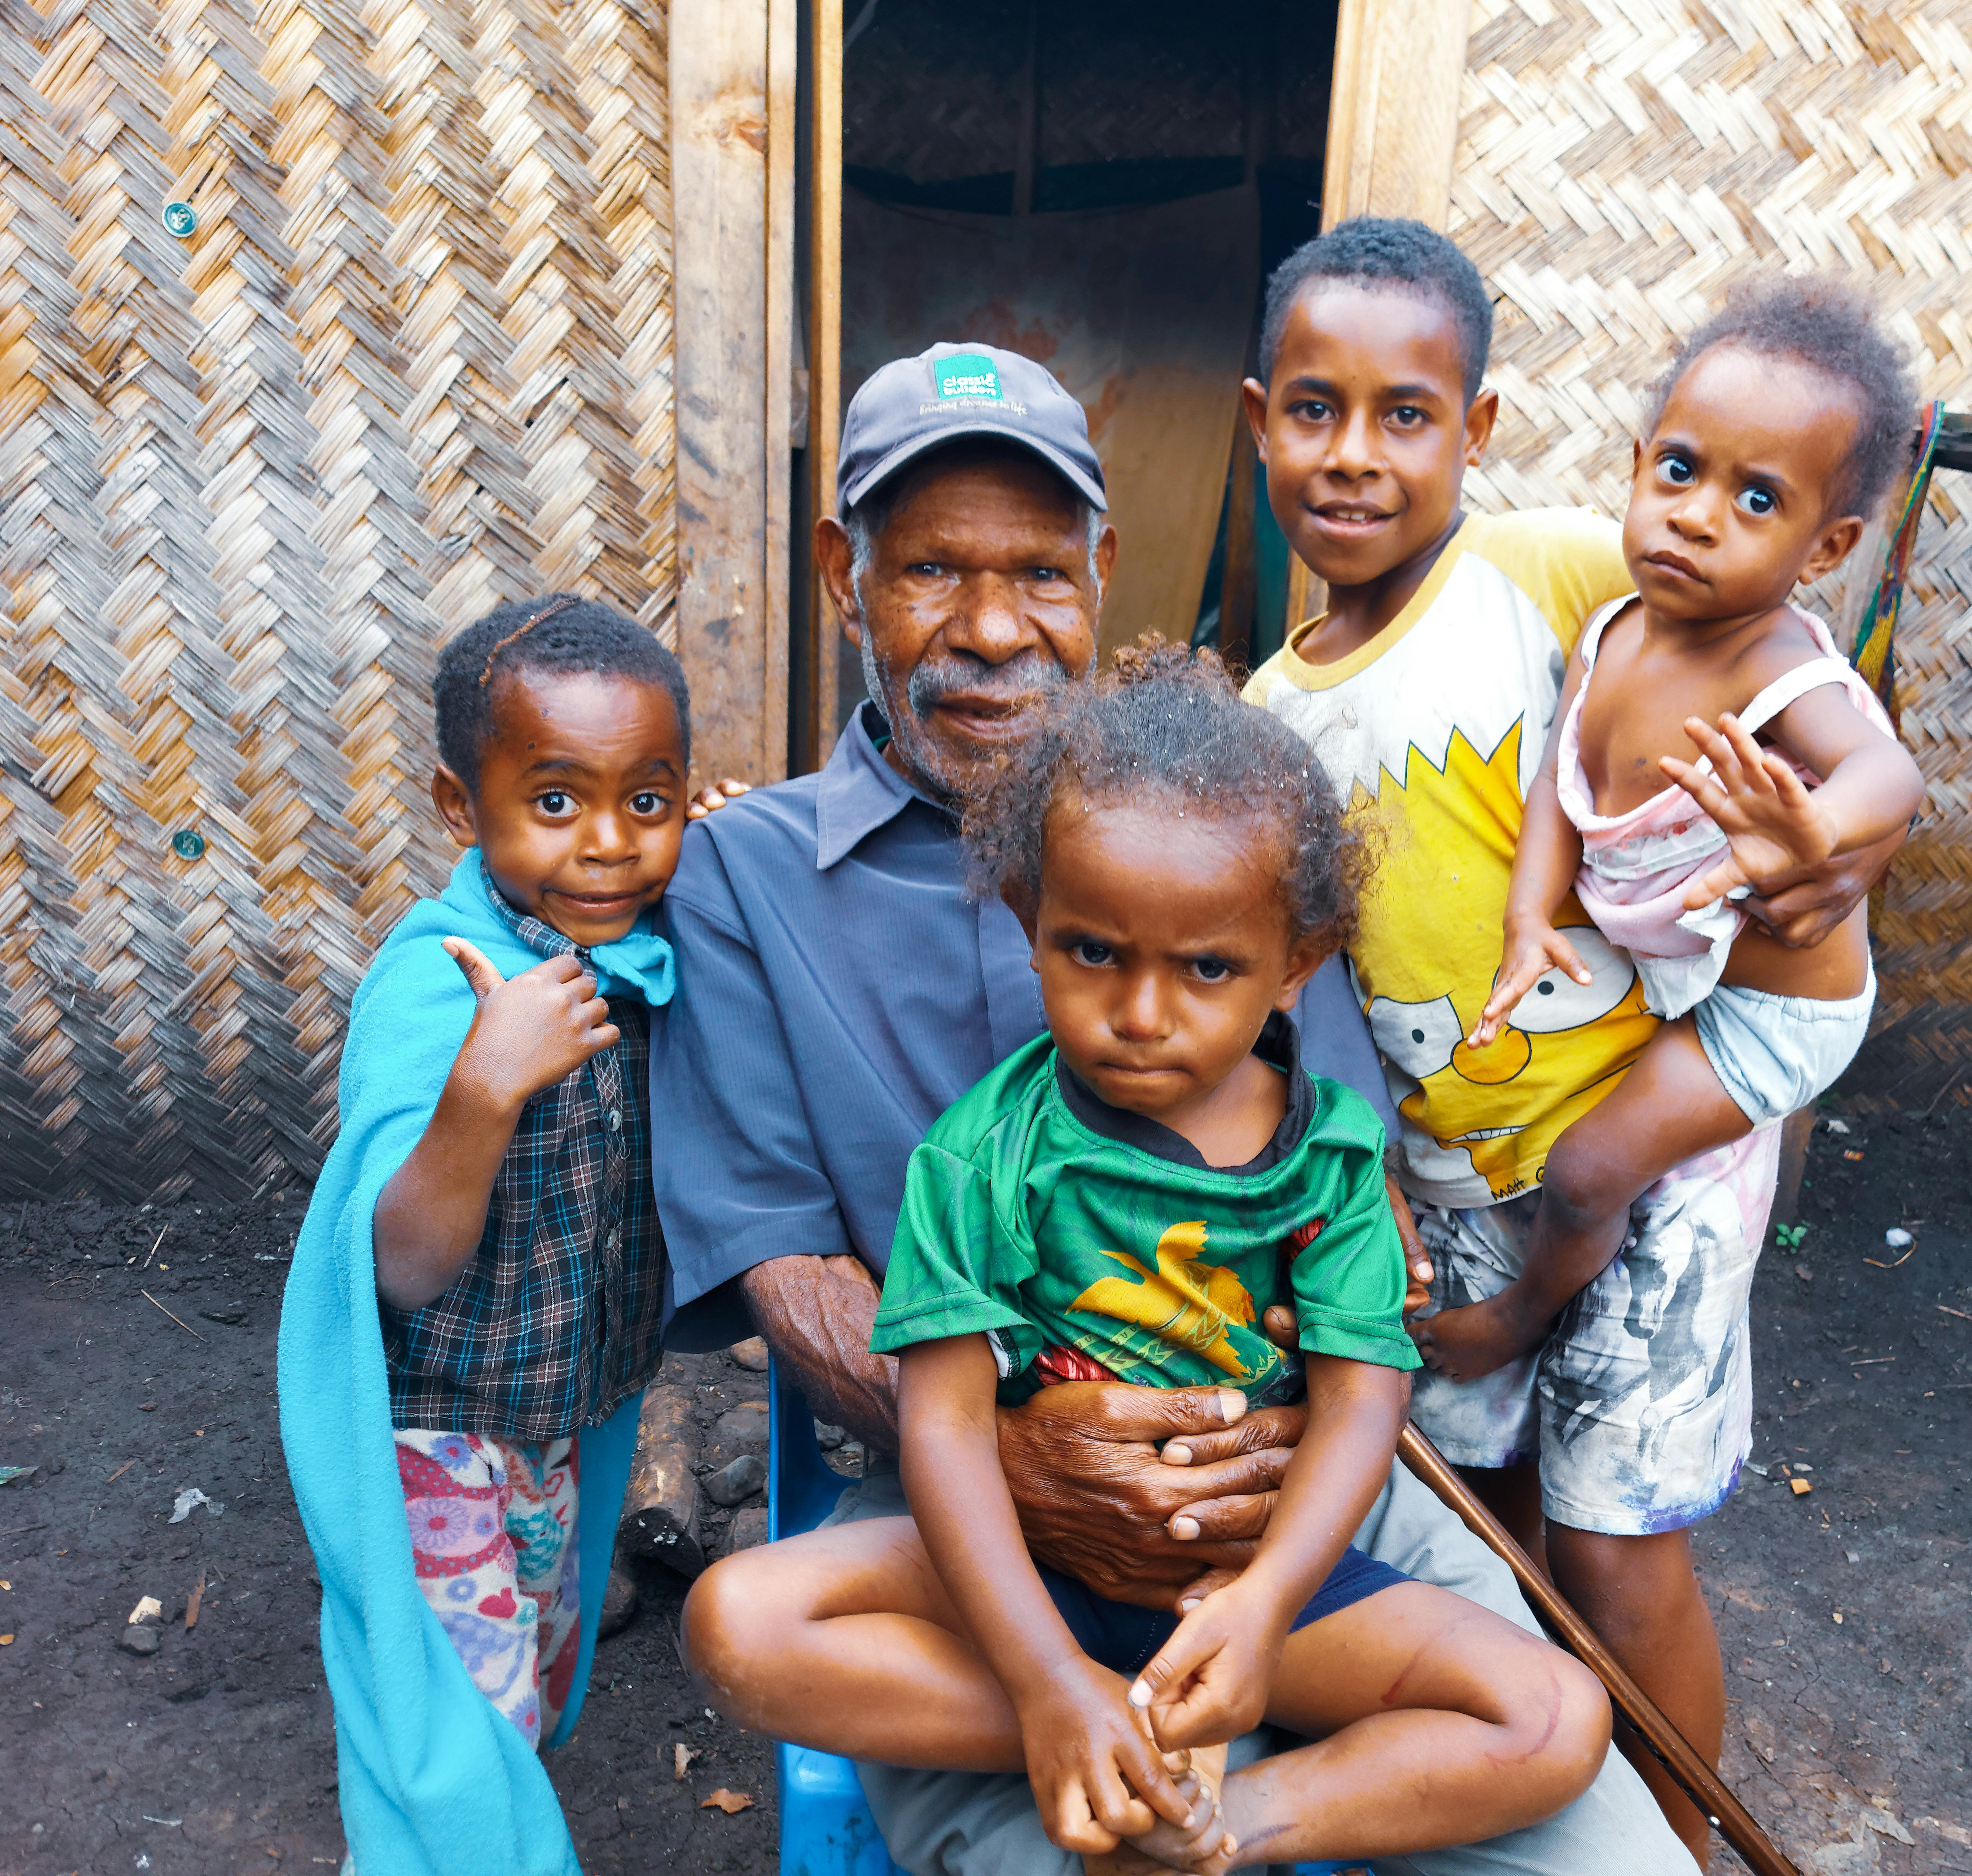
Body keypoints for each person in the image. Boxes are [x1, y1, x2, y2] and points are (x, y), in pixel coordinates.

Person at [655, 340, 1690, 1876]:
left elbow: (1363, 1254)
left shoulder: (1232, 831)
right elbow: (787, 1275)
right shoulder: (745, 879)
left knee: (1600, 1843)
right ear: (841, 575)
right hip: (985, 1539)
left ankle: (1218, 1793)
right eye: (931, 571)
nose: (993, 629)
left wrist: (1253, 1522)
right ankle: (1116, 1738)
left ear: (1103, 569)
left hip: (1291, 1504)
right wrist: (1032, 1469)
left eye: (1040, 574)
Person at [715, 642, 1613, 1875]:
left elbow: (1361, 1397)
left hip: (1249, 1579)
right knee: (739, 1624)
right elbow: (942, 1430)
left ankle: (1215, 1827)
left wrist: (1262, 1607)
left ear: (1295, 964)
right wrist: (1042, 1680)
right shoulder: (981, 1157)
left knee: (1555, 1716)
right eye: (1093, 952)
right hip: (1023, 1573)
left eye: (1205, 968)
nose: (1141, 1012)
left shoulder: (1331, 1158)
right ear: (1030, 918)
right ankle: (1088, 1734)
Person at [1236, 220, 1901, 1859]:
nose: (1355, 456)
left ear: (1479, 429)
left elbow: (1799, 701)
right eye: (1314, 411)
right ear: (1258, 421)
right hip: (1454, 1181)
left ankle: (1670, 1843)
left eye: (1408, 416)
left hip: (1645, 1144)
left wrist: (1829, 876)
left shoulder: (1557, 566)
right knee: (1499, 1525)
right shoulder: (1262, 717)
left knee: (1610, 1541)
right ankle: (1548, 1814)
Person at [1428, 276, 1925, 1381]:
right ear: (1641, 456)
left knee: (1590, 1169)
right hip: (1676, 969)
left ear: (1827, 546)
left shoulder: (1778, 668)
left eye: (1758, 502)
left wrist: (1814, 830)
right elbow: (1563, 780)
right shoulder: (1614, 625)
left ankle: (1525, 1315)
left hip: (1768, 1010)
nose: (1698, 515)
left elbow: (1887, 771)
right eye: (1682, 471)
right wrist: (1523, 918)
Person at [279, 597, 694, 1872]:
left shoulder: (627, 941)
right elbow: (395, 1260)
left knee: (530, 1682)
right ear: (462, 809)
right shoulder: (440, 981)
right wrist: (483, 1085)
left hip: (553, 1422)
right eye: (557, 802)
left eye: (651, 800)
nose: (611, 847)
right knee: (459, 1737)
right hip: (439, 1443)